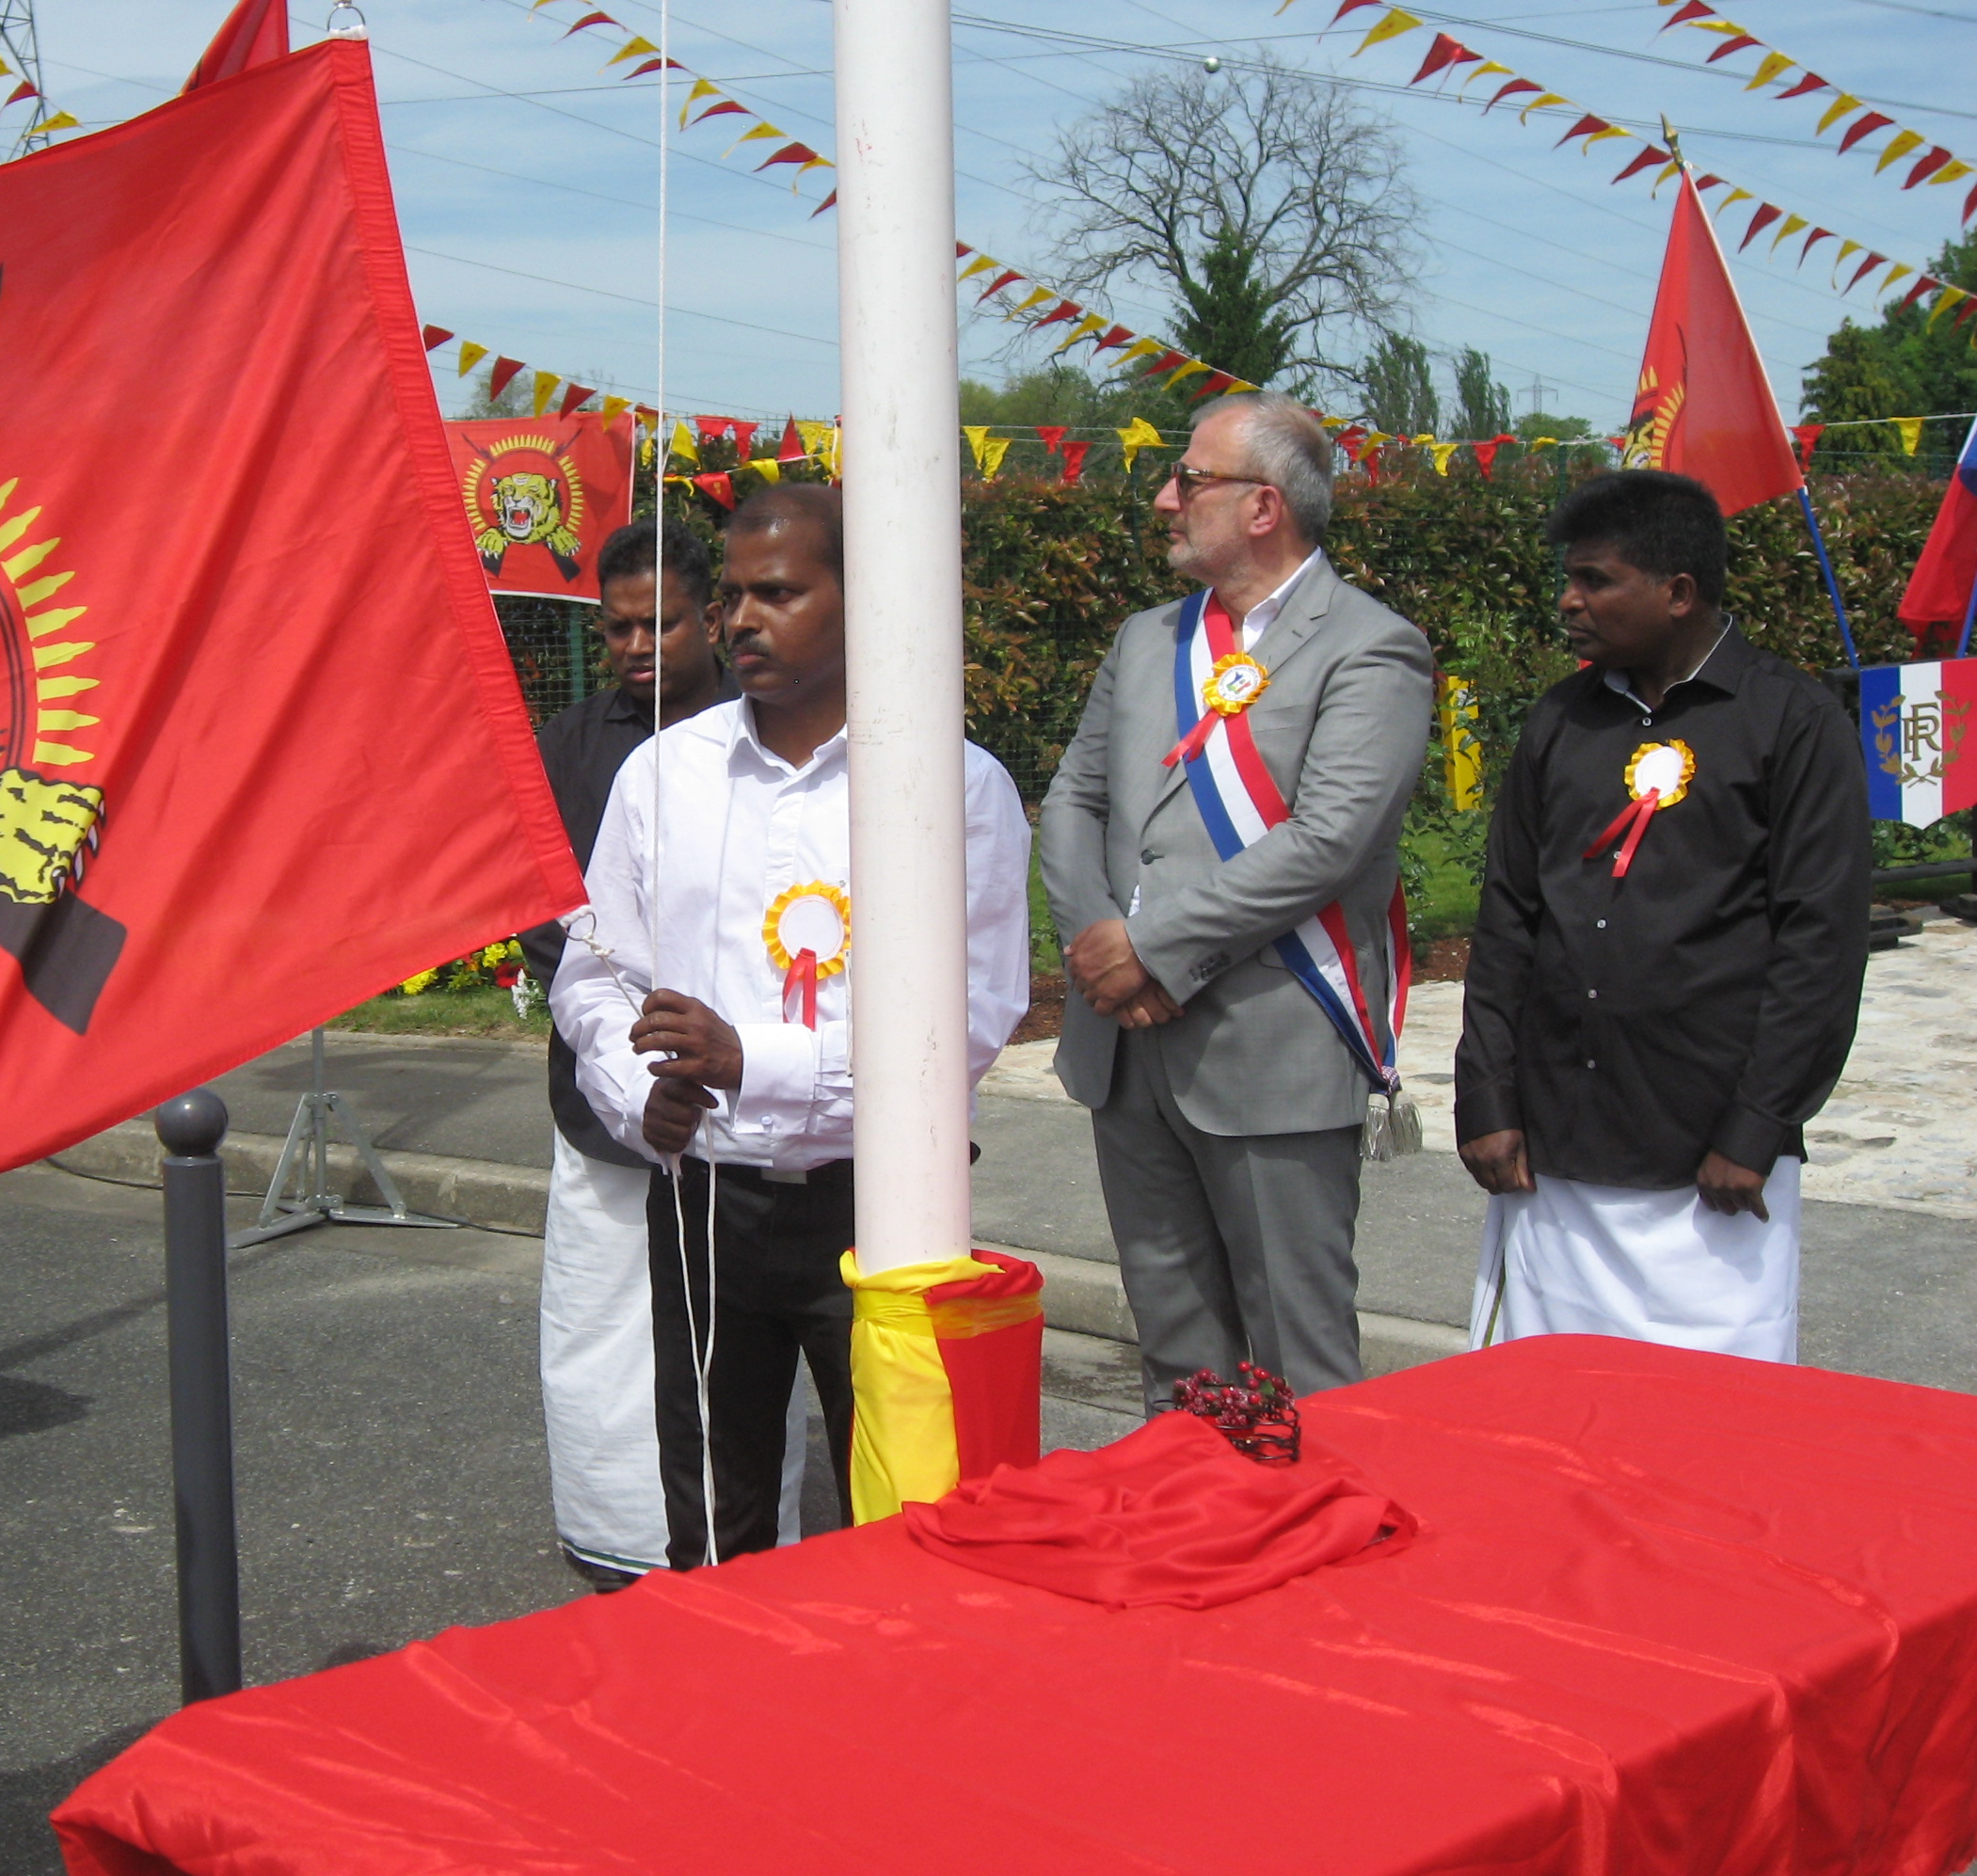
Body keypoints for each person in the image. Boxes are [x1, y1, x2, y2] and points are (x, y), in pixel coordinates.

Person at [551, 483, 1033, 1567]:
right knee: (710, 1516)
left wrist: (750, 1059)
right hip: (702, 1200)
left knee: (902, 1519)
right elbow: (592, 975)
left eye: (777, 593)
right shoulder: (661, 774)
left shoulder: (952, 787)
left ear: (865, 601)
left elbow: (970, 1021)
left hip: (883, 1205)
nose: (741, 621)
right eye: (730, 596)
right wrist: (636, 1095)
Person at [1039, 392, 1433, 1412]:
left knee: (1299, 1363)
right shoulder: (1145, 640)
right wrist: (1098, 949)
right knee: (1176, 1360)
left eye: (1190, 479)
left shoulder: (1369, 647)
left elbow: (1329, 841)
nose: (1165, 499)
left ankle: (1317, 1521)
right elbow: (1073, 801)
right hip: (1126, 1049)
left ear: (1264, 506)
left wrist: (1151, 949)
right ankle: (1190, 1515)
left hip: (1271, 1045)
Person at [1457, 469, 1870, 1360]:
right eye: (1568, 578)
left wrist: (1757, 1126)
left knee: (1710, 1418)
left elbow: (1821, 945)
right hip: (1556, 1155)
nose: (1569, 601)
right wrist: (1485, 1097)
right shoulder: (1560, 722)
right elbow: (1509, 918)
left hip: (1713, 1161)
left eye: (1595, 580)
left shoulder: (1792, 722)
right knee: (1555, 1402)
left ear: (1678, 592)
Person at [518, 520, 731, 1590]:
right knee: (602, 1319)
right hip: (605, 1087)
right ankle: (612, 1534)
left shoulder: (758, 728)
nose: (638, 646)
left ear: (714, 618)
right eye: (617, 628)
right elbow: (546, 915)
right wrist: (629, 1047)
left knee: (724, 1335)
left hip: (739, 1090)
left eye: (663, 623)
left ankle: (727, 1534)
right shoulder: (566, 745)